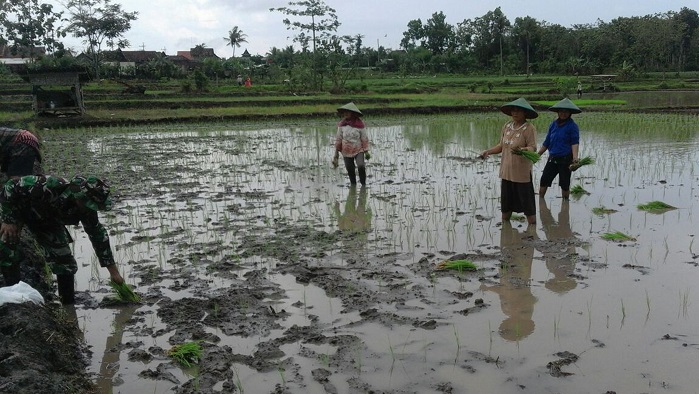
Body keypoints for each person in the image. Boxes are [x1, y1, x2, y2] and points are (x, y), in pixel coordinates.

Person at [0, 175, 124, 304]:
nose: (91, 209)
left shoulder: (87, 210)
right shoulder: (49, 185)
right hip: (16, 209)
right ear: (80, 196)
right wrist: (8, 219)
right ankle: (12, 296)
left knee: (65, 263)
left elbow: (98, 236)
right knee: (8, 248)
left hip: (46, 221)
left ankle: (68, 305)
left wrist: (114, 273)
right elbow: (10, 185)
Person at [480, 97, 538, 225]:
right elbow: (501, 146)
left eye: (518, 110)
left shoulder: (529, 128)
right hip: (506, 173)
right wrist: (487, 151)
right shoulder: (507, 126)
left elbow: (533, 148)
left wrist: (522, 149)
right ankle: (505, 233)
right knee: (506, 207)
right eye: (513, 110)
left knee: (528, 207)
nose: (515, 113)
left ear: (525, 113)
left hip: (521, 175)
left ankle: (532, 231)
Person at [536, 98, 581, 200]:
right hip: (553, 158)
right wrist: (538, 155)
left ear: (570, 113)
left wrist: (575, 158)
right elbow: (547, 142)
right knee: (544, 180)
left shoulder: (572, 126)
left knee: (565, 184)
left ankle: (565, 205)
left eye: (566, 112)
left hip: (565, 159)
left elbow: (574, 142)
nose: (563, 114)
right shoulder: (553, 124)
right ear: (558, 112)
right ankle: (541, 201)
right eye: (561, 111)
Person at [334, 102, 369, 186]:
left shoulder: (360, 125)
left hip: (358, 149)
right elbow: (339, 139)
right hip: (346, 151)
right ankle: (353, 186)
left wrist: (366, 151)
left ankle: (363, 184)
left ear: (353, 113)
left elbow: (364, 138)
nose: (345, 113)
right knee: (350, 169)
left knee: (361, 165)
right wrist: (336, 153)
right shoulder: (342, 125)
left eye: (348, 112)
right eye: (344, 112)